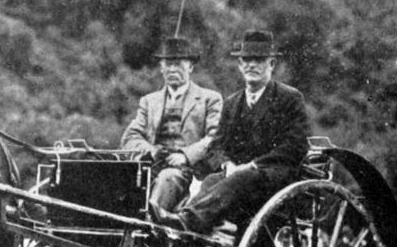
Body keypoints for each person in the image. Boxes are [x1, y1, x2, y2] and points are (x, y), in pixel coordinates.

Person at [151, 30, 310, 233]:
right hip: (238, 176)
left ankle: (188, 222)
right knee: (211, 180)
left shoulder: (289, 98)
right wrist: (228, 164)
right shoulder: (232, 103)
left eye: (259, 60)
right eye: (247, 60)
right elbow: (217, 146)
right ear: (240, 65)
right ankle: (187, 229)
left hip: (273, 178)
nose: (252, 65)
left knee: (241, 178)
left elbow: (295, 146)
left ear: (271, 64)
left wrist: (252, 165)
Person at [121, 36, 223, 211]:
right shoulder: (149, 101)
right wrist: (151, 151)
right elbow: (130, 137)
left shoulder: (209, 99)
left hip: (188, 171)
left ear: (190, 66)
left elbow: (215, 137)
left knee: (167, 179)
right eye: (168, 64)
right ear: (161, 68)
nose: (173, 69)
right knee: (117, 179)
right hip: (151, 166)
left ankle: (149, 227)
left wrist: (185, 155)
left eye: (179, 64)